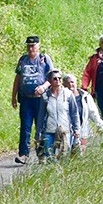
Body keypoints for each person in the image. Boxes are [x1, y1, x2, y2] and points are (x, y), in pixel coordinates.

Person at [11, 35, 54, 164]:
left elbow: (53, 77)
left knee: (41, 127)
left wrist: (44, 86)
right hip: (25, 99)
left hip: (41, 99)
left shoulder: (44, 59)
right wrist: (13, 95)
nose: (31, 48)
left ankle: (42, 154)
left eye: (33, 46)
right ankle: (24, 154)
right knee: (25, 127)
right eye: (29, 46)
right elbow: (18, 78)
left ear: (38, 46)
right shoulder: (23, 60)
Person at [40, 69, 76, 158]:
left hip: (65, 130)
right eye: (55, 79)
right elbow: (41, 115)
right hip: (49, 130)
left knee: (64, 156)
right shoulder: (45, 96)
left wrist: (77, 129)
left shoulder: (68, 94)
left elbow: (74, 113)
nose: (58, 80)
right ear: (50, 81)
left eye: (59, 78)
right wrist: (38, 133)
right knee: (49, 156)